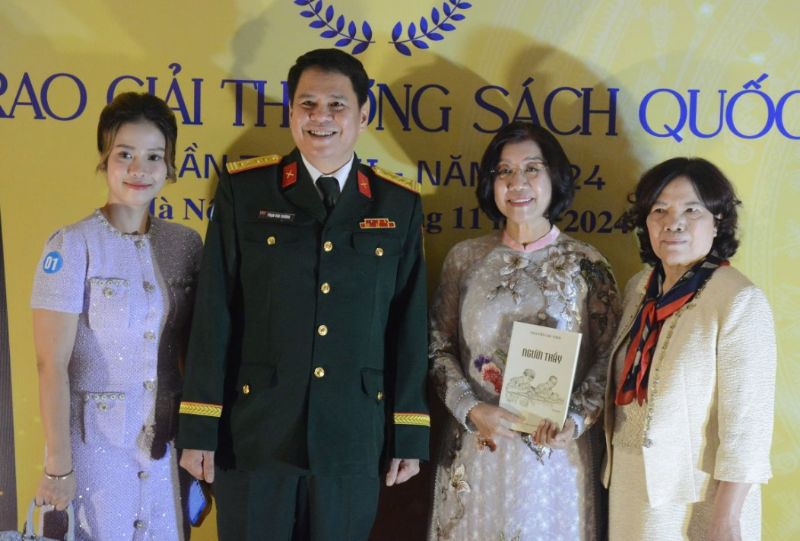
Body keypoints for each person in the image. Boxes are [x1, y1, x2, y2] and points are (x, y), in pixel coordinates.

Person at [176, 48, 430, 541]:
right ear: (291, 113)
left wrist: (410, 432)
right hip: (255, 433)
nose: (321, 118)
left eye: (336, 105)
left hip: (353, 437)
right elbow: (214, 314)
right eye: (307, 104)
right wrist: (200, 428)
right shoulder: (246, 191)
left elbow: (408, 327)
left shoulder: (398, 204)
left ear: (363, 114)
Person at [428, 121, 621, 540]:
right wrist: (470, 408)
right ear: (490, 183)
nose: (518, 183)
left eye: (533, 168)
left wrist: (575, 420)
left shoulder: (586, 264)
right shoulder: (465, 260)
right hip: (477, 446)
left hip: (554, 458)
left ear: (554, 178)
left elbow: (610, 357)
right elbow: (438, 349)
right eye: (504, 171)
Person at [31, 92, 203, 539]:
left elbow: (197, 352)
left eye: (153, 156)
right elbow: (50, 366)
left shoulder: (186, 245)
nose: (138, 169)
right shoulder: (71, 246)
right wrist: (58, 467)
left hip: (166, 449)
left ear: (169, 166)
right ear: (105, 160)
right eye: (124, 154)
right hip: (95, 452)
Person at [603, 157, 777, 540]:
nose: (673, 222)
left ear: (718, 221)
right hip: (630, 488)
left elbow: (749, 428)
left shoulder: (738, 299)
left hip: (698, 501)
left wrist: (726, 517)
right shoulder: (638, 288)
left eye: (691, 210)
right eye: (659, 210)